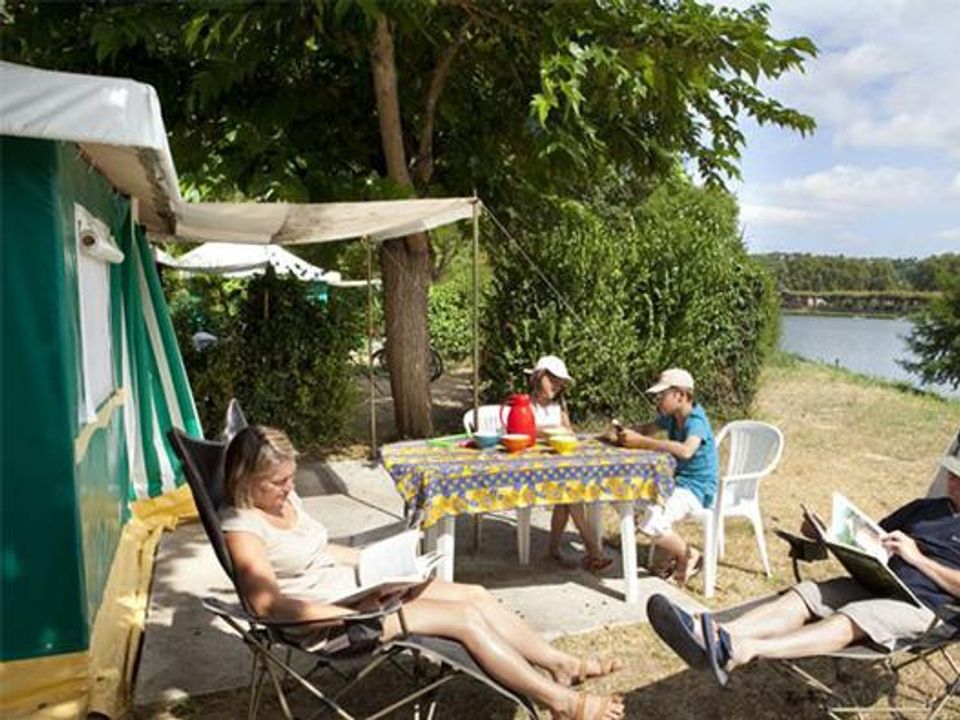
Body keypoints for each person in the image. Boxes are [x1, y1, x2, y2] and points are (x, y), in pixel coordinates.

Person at [220, 424, 625, 720]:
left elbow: (316, 550)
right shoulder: (243, 526)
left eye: (291, 477)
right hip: (333, 623)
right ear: (245, 480)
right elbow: (267, 605)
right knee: (464, 619)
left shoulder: (284, 501)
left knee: (475, 594)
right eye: (278, 482)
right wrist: (348, 611)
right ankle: (562, 703)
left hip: (359, 593)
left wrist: (375, 562)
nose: (289, 488)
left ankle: (561, 665)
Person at [646, 454, 960, 687]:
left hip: (926, 608)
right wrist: (826, 535)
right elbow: (873, 539)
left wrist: (918, 559)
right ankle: (712, 635)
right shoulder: (925, 508)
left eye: (959, 477)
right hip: (879, 582)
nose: (951, 480)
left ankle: (743, 649)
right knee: (804, 595)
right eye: (952, 473)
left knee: (855, 617)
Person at [603, 368, 718, 585]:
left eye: (662, 395)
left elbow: (687, 450)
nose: (658, 401)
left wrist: (642, 442)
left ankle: (689, 554)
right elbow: (647, 428)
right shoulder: (672, 417)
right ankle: (669, 549)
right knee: (622, 497)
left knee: (652, 520)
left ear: (680, 395)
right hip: (675, 483)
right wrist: (624, 433)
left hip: (697, 490)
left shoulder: (696, 421)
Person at [529, 355, 612, 572]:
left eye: (560, 382)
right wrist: (549, 431)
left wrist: (562, 431)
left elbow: (569, 434)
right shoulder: (526, 406)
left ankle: (555, 550)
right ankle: (593, 551)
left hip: (559, 468)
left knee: (568, 495)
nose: (556, 385)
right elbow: (524, 430)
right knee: (571, 494)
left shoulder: (558, 408)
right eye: (552, 379)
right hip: (532, 470)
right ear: (538, 377)